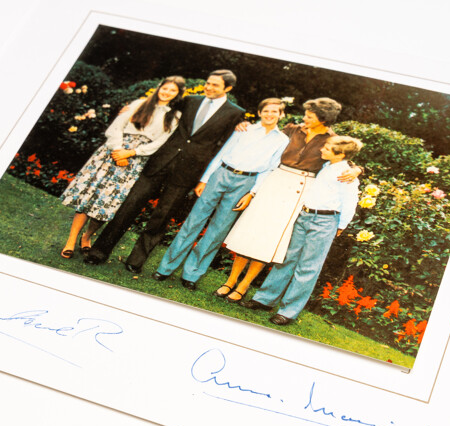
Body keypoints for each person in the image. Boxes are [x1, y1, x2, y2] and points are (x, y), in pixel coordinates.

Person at [83, 70, 246, 273]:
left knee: (161, 217)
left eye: (215, 85)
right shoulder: (189, 100)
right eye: (208, 83)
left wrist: (243, 125)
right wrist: (130, 109)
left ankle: (135, 261)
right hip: (160, 161)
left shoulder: (235, 113)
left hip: (188, 171)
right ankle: (99, 252)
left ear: (228, 89)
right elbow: (159, 106)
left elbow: (225, 144)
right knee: (129, 206)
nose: (208, 87)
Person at [213, 98, 361, 302]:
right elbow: (267, 142)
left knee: (270, 239)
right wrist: (245, 126)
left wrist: (357, 169)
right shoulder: (291, 129)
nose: (304, 118)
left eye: (309, 116)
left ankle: (244, 286)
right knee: (251, 231)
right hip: (274, 182)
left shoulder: (331, 139)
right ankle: (230, 281)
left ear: (323, 119)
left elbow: (346, 160)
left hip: (300, 191)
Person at [151, 98, 289, 290]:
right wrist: (205, 180)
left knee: (218, 230)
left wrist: (252, 193)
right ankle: (165, 268)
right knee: (194, 222)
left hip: (246, 182)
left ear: (281, 115)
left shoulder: (282, 140)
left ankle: (192, 274)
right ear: (259, 113)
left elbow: (269, 169)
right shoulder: (244, 129)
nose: (270, 114)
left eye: (275, 112)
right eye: (266, 111)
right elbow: (222, 153)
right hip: (222, 174)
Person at [240, 136, 363, 325]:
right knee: (287, 259)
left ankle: (288, 311)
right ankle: (264, 300)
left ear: (341, 154)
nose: (323, 149)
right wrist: (358, 168)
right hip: (304, 216)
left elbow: (350, 202)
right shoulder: (325, 166)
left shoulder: (346, 175)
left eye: (328, 148)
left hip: (325, 221)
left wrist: (341, 226)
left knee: (308, 266)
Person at [59, 76, 185, 258]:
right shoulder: (139, 104)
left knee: (107, 203)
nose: (167, 93)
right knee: (90, 196)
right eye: (165, 88)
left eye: (172, 90)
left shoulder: (174, 116)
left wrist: (131, 153)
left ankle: (86, 237)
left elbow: (159, 142)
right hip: (111, 154)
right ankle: (71, 240)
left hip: (134, 160)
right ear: (159, 88)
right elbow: (116, 127)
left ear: (177, 94)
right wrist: (118, 150)